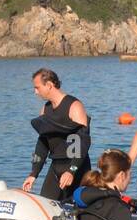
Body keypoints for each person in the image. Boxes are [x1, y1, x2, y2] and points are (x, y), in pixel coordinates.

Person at [22, 69, 91, 200]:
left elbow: (83, 143)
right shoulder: (45, 110)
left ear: (49, 85)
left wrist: (72, 171)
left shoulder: (74, 106)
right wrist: (34, 173)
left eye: (37, 87)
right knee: (46, 205)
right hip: (56, 166)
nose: (35, 92)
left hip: (76, 167)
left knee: (76, 211)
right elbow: (42, 144)